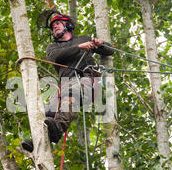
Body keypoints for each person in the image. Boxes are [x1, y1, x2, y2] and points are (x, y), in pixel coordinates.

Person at [21, 13, 114, 152]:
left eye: (57, 24)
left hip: (87, 81)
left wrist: (101, 44)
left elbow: (110, 51)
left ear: (68, 25)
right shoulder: (53, 47)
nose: (55, 27)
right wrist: (79, 48)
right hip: (65, 85)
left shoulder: (84, 39)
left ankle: (58, 128)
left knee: (70, 95)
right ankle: (37, 140)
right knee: (50, 110)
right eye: (52, 27)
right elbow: (55, 57)